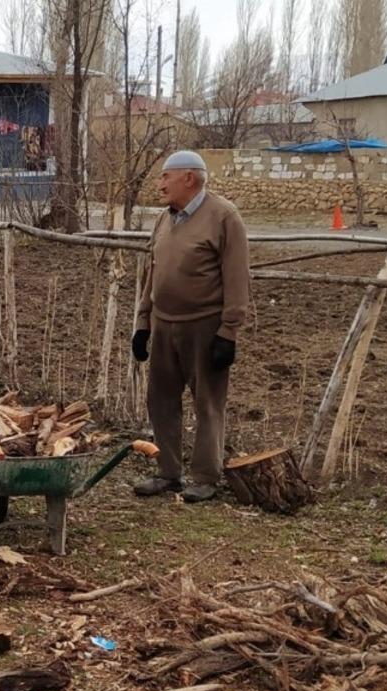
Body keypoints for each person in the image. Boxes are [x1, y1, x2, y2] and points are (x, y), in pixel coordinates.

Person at [131, 150, 251, 503]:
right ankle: (168, 472)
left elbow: (237, 276)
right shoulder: (165, 219)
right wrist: (143, 322)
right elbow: (152, 272)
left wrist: (228, 331)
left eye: (166, 176)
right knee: (161, 400)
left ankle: (205, 476)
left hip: (205, 325)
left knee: (207, 402)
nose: (161, 184)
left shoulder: (224, 217)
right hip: (165, 323)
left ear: (189, 178)